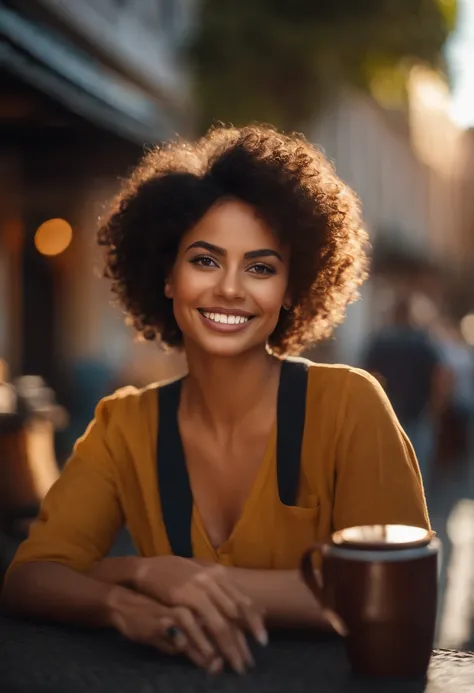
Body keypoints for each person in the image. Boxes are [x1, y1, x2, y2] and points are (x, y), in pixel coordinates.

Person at [0, 125, 430, 675]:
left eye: (260, 267)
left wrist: (190, 580)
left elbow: (387, 590)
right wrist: (131, 587)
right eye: (204, 260)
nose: (230, 288)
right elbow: (30, 576)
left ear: (291, 289)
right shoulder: (123, 424)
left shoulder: (349, 404)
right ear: (166, 277)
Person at [362, 295, 447, 488]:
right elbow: (439, 376)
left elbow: (367, 376)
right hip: (418, 411)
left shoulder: (380, 341)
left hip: (387, 412)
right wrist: (436, 406)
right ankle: (414, 510)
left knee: (386, 467)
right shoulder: (423, 342)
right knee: (417, 469)